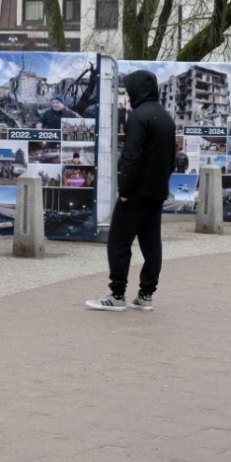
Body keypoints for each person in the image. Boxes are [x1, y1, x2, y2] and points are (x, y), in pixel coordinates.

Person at [88, 69, 176, 312]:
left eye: (128, 89)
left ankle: (116, 294)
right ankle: (146, 294)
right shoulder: (166, 118)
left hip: (135, 192)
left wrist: (124, 190)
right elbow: (172, 159)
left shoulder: (138, 117)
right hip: (157, 192)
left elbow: (131, 157)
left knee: (118, 241)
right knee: (151, 244)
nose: (126, 93)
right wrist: (161, 184)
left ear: (138, 89)